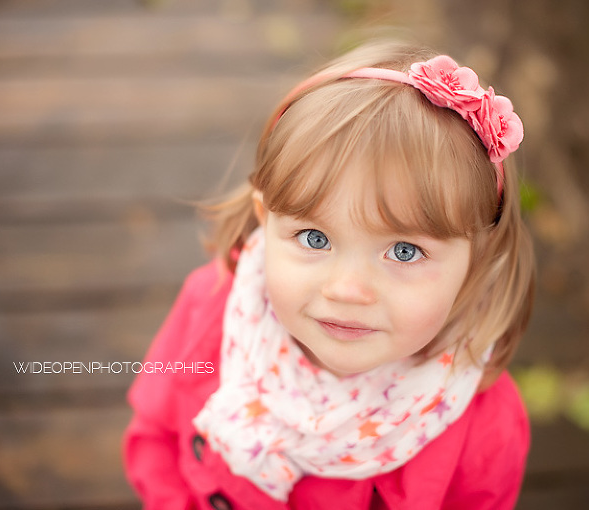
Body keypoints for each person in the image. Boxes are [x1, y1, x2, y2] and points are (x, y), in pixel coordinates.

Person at [123, 40, 535, 510]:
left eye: (404, 251)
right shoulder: (214, 305)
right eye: (315, 238)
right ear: (265, 219)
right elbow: (155, 437)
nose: (347, 290)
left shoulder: (483, 425)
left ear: (478, 259)